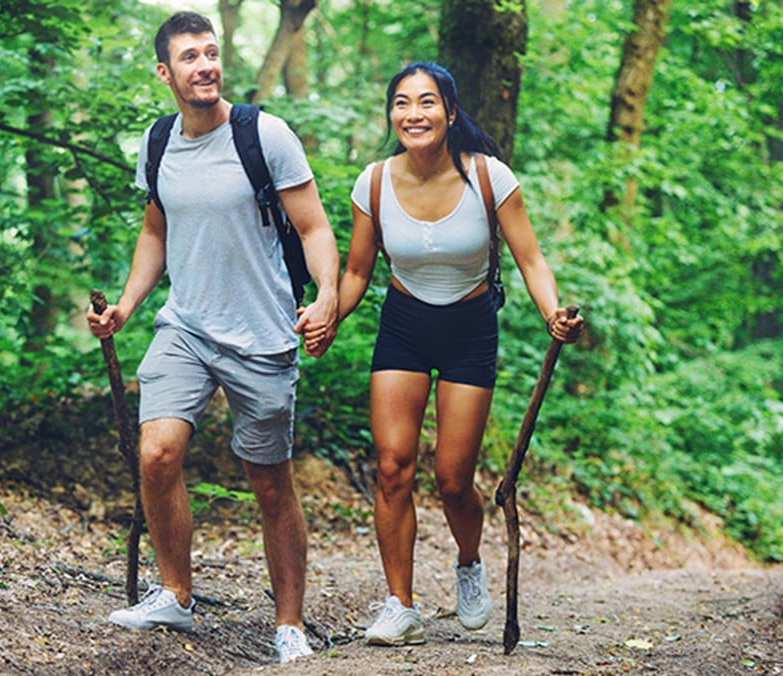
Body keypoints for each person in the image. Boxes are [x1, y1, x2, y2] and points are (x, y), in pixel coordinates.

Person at [86, 10, 340, 665]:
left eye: (210, 53)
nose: (204, 65)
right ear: (164, 73)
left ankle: (288, 624)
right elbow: (154, 232)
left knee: (269, 484)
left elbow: (313, 228)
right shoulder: (158, 141)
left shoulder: (264, 135)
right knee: (156, 454)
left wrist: (327, 299)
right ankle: (174, 592)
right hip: (186, 328)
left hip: (261, 336)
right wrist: (126, 305)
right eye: (188, 57)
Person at [327, 62, 585, 646]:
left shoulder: (489, 177)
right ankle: (400, 605)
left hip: (470, 328)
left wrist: (552, 314)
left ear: (449, 111)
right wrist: (328, 319)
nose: (412, 114)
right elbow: (357, 270)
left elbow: (531, 260)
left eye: (425, 102)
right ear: (391, 113)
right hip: (404, 324)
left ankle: (469, 562)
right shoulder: (372, 183)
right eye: (401, 103)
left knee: (451, 477)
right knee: (393, 466)